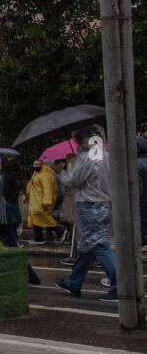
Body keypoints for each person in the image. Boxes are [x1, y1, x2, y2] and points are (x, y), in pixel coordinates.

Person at [56, 128, 117, 300]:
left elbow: (74, 180)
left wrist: (61, 171)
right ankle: (74, 282)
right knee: (87, 246)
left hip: (89, 205)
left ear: (84, 141)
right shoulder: (105, 155)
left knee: (99, 246)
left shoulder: (87, 157)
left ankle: (119, 285)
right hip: (103, 204)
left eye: (79, 142)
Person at [0, 155, 41, 285]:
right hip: (12, 216)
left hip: (0, 219)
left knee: (12, 247)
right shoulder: (15, 179)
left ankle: (31, 276)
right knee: (1, 247)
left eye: (1, 163)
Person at [25, 159, 60, 242]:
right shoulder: (36, 173)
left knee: (43, 218)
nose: (36, 166)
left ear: (42, 165)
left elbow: (47, 189)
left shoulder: (45, 175)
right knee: (37, 219)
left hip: (40, 201)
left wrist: (46, 201)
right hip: (35, 201)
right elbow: (31, 184)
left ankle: (60, 231)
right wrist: (26, 194)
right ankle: (38, 238)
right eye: (35, 164)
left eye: (38, 164)